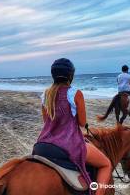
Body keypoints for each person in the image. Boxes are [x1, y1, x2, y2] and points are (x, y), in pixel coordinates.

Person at [33, 58, 112, 195]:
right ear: (71, 75)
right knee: (106, 164)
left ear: (53, 75)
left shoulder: (45, 95)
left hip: (42, 144)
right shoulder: (75, 93)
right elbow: (82, 123)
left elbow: (47, 122)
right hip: (67, 145)